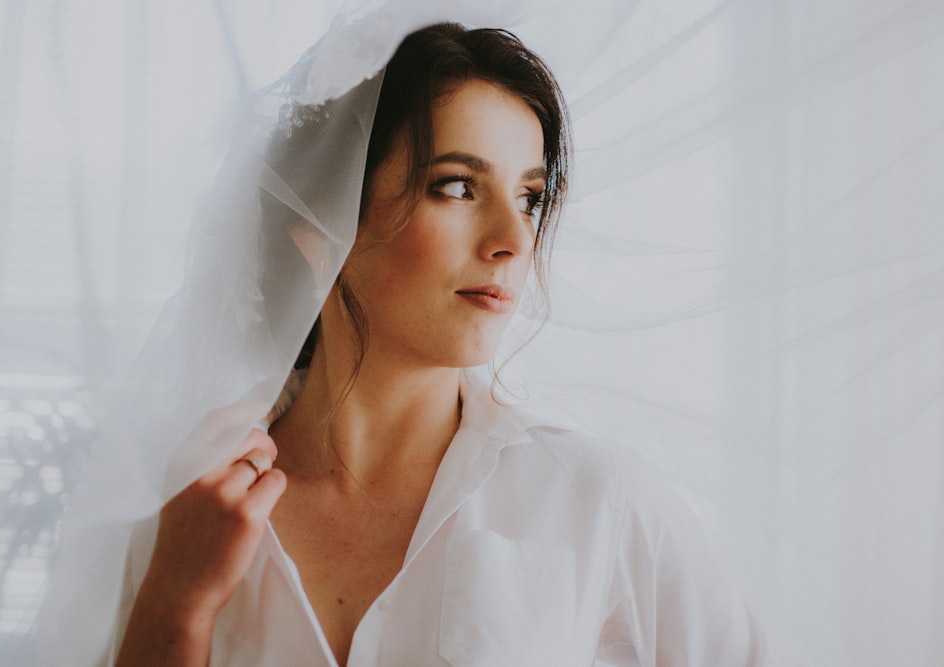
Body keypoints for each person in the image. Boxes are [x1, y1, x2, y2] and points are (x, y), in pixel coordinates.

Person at [98, 22, 773, 666]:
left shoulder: (595, 499)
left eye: (531, 197)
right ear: (321, 226)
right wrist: (176, 600)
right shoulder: (192, 505)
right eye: (456, 187)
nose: (513, 239)